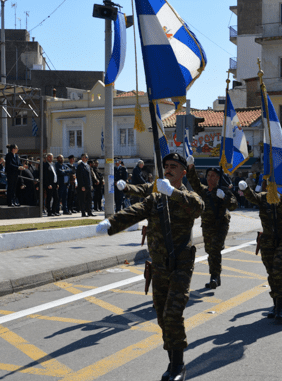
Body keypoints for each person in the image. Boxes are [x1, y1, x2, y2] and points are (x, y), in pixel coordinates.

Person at [96, 152, 204, 381]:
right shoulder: (155, 199)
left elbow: (198, 207)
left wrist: (172, 193)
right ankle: (173, 358)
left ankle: (177, 366)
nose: (168, 169)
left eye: (173, 166)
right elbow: (136, 211)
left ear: (183, 172)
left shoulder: (188, 196)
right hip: (159, 266)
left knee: (173, 313)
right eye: (165, 165)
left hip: (181, 265)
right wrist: (111, 223)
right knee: (162, 317)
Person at [238, 179, 282, 323]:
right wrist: (245, 189)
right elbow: (253, 197)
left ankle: (280, 307)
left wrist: (279, 198)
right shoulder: (263, 197)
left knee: (278, 267)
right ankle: (276, 302)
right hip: (268, 239)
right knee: (271, 271)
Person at [186, 157, 238, 289]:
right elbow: (194, 182)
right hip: (207, 225)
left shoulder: (224, 191)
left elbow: (233, 205)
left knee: (215, 250)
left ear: (219, 178)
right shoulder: (204, 191)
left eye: (214, 176)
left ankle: (214, 276)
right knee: (210, 250)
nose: (210, 178)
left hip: (220, 225)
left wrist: (224, 197)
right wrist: (191, 167)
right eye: (209, 175)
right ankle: (216, 277)